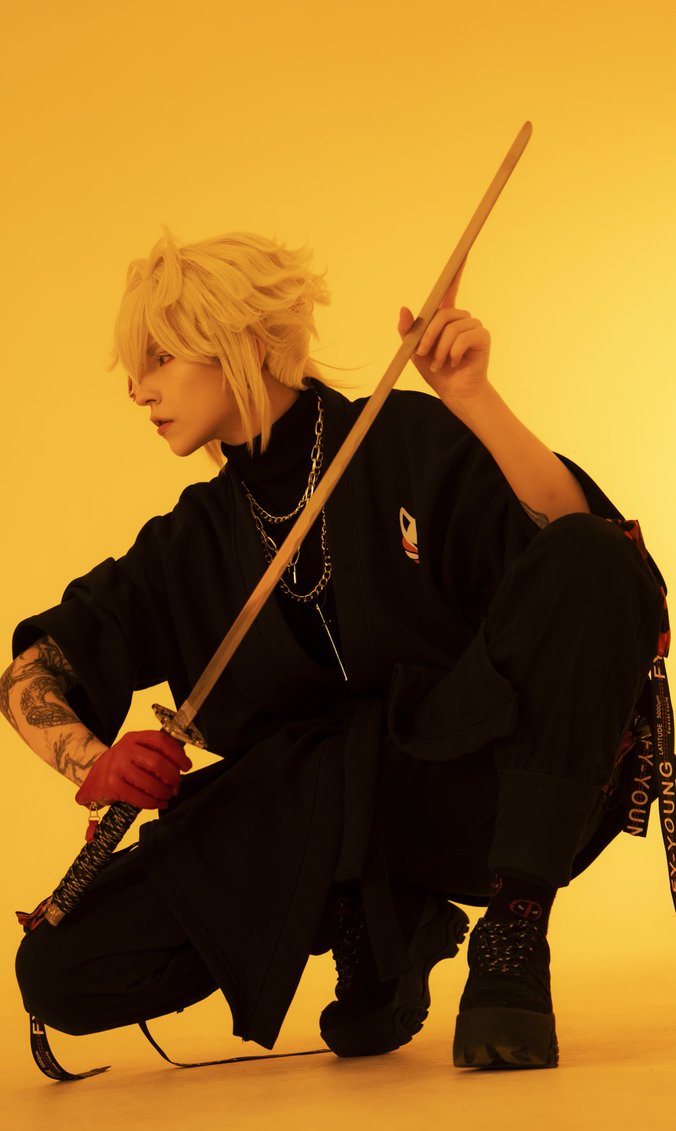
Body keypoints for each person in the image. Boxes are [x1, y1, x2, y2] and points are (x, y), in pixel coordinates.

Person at [3, 230, 668, 1073]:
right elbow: (32, 673)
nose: (139, 389)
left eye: (161, 357)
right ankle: (379, 913)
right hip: (315, 819)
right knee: (59, 969)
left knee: (593, 556)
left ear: (244, 344)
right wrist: (90, 760)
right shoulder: (188, 543)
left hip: (485, 784)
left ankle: (514, 931)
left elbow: (592, 564)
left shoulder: (402, 439)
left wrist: (474, 400)